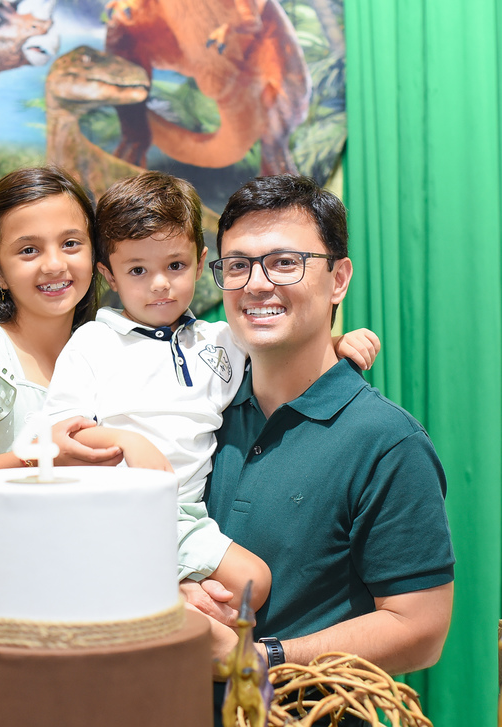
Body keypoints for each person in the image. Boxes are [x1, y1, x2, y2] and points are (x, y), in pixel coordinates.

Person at [40, 171, 380, 610]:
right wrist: (126, 441)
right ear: (109, 274)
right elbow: (59, 433)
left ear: (200, 264)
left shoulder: (221, 340)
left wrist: (336, 342)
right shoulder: (93, 342)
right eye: (138, 270)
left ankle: (161, 596)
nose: (159, 283)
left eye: (175, 266)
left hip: (182, 515)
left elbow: (283, 345)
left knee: (249, 585)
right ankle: (140, 589)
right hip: (111, 505)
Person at [203, 173, 455, 674]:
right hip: (171, 719)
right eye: (238, 265)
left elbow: (419, 630)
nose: (257, 284)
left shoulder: (387, 442)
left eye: (284, 263)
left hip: (309, 724)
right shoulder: (198, 412)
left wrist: (258, 659)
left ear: (338, 278)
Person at [0, 165, 158, 514]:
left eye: (70, 244)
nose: (54, 265)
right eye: (28, 250)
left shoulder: (105, 349)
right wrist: (35, 459)